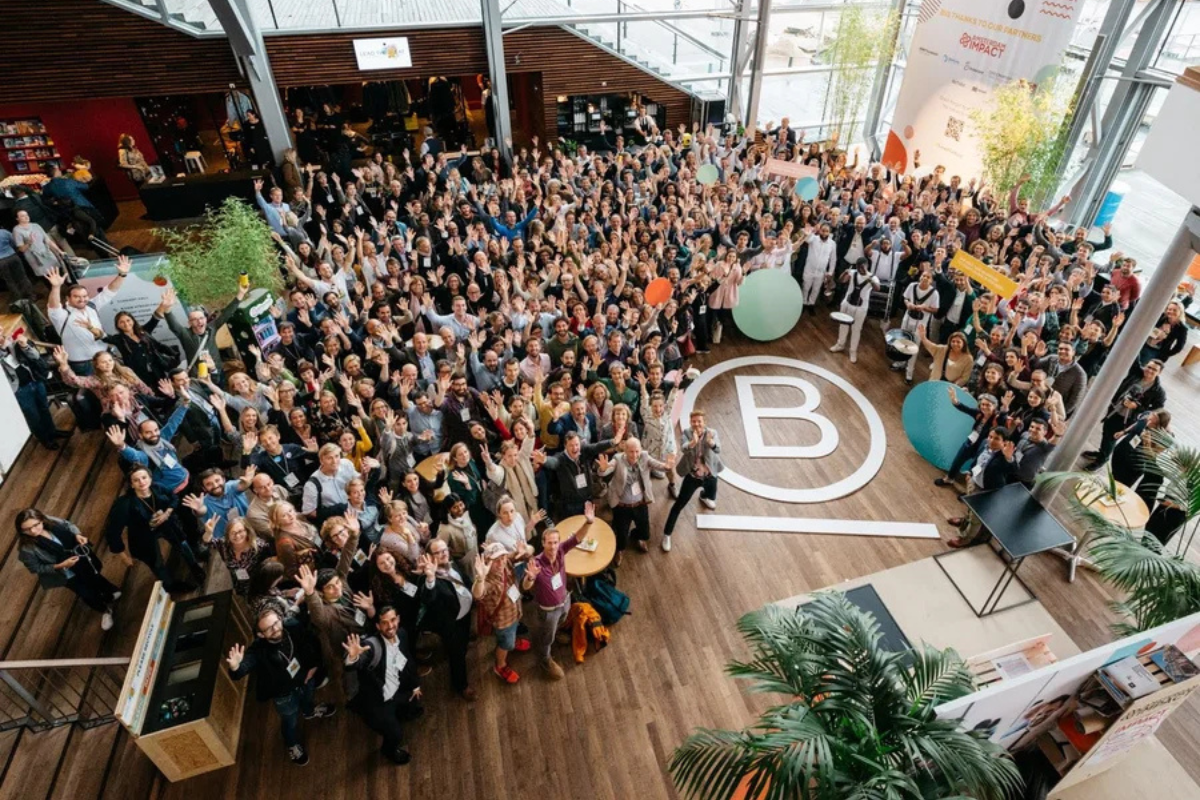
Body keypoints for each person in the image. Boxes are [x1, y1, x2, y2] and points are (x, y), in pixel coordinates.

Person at [225, 608, 335, 767]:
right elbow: (242, 669)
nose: (276, 628)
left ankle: (310, 712)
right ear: (261, 635)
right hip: (284, 695)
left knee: (308, 700)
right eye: (269, 628)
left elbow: (310, 641)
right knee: (290, 721)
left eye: (276, 622)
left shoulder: (292, 626)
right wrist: (235, 667)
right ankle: (292, 743)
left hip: (305, 678)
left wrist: (313, 666)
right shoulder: (258, 650)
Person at [342, 608, 423, 766]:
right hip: (378, 701)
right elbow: (360, 660)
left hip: (398, 689)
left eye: (392, 620)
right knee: (395, 734)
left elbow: (408, 661)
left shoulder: (402, 634)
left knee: (413, 702)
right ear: (378, 626)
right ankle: (389, 751)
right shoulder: (371, 645)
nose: (390, 626)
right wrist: (353, 658)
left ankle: (404, 713)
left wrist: (415, 685)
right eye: (384, 623)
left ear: (398, 619)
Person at [16, 509, 121, 631]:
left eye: (35, 525)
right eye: (27, 529)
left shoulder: (50, 522)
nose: (33, 531)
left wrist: (77, 535)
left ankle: (110, 593)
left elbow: (68, 524)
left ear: (41, 519)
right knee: (86, 593)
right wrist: (60, 565)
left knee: (95, 576)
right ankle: (105, 610)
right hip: (67, 574)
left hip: (80, 559)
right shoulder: (26, 549)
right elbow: (35, 568)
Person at [105, 465, 205, 592]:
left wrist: (167, 513)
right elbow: (113, 530)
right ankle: (171, 586)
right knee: (156, 562)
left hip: (166, 523)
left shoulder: (158, 487)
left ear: (150, 478)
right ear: (131, 484)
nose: (142, 482)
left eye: (144, 477)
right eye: (136, 480)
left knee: (183, 544)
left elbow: (173, 498)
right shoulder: (124, 504)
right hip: (143, 534)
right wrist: (123, 556)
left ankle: (195, 567)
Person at [528, 503, 594, 679]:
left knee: (562, 620)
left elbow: (577, 538)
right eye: (549, 543)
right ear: (543, 543)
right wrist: (529, 578)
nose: (553, 546)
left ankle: (556, 634)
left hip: (564, 601)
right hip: (548, 611)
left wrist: (588, 522)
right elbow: (525, 586)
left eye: (556, 542)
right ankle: (545, 659)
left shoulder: (561, 551)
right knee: (546, 637)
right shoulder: (536, 563)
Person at [417, 539, 476, 701]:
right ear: (429, 557)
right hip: (451, 624)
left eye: (445, 550)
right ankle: (461, 685)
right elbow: (429, 598)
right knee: (457, 656)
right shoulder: (428, 579)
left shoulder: (453, 563)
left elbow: (464, 580)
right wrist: (430, 577)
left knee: (463, 642)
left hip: (465, 614)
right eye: (438, 552)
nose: (444, 553)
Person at [599, 437, 670, 563]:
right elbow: (606, 470)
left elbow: (659, 466)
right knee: (621, 536)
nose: (635, 455)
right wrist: (603, 469)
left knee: (645, 533)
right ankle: (620, 550)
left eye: (637, 451)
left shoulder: (645, 457)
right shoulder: (618, 459)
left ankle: (637, 537)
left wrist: (667, 466)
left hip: (640, 504)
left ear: (641, 450)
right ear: (625, 450)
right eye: (631, 451)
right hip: (622, 506)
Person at [472, 542, 534, 684]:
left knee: (512, 634)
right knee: (505, 644)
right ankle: (500, 666)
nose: (500, 563)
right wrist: (480, 578)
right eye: (495, 560)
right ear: (487, 562)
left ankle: (512, 641)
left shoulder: (506, 563)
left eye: (502, 558)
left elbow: (524, 553)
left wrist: (526, 551)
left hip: (515, 612)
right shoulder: (488, 581)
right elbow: (477, 594)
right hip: (503, 622)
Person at [661, 410, 722, 551]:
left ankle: (704, 496)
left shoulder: (712, 432)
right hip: (693, 477)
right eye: (693, 421)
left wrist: (711, 443)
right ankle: (667, 535)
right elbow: (684, 449)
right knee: (678, 506)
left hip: (709, 475)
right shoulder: (687, 433)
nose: (696, 424)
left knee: (711, 497)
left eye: (699, 421)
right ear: (690, 422)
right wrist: (693, 443)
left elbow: (718, 450)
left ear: (704, 422)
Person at [892, 270, 940, 384]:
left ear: (931, 280)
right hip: (907, 318)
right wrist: (908, 304)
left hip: (921, 323)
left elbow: (935, 309)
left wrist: (924, 307)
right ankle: (900, 362)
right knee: (903, 341)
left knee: (914, 347)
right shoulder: (912, 286)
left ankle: (909, 372)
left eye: (928, 277)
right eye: (923, 275)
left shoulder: (934, 293)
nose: (925, 278)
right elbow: (906, 298)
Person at [829, 257, 879, 363]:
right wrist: (845, 273)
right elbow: (841, 281)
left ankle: (853, 351)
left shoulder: (873, 277)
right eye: (858, 267)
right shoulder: (853, 273)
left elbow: (877, 288)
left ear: (866, 266)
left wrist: (868, 277)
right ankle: (840, 344)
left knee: (856, 329)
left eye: (862, 267)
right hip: (847, 303)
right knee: (843, 325)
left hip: (861, 307)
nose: (860, 269)